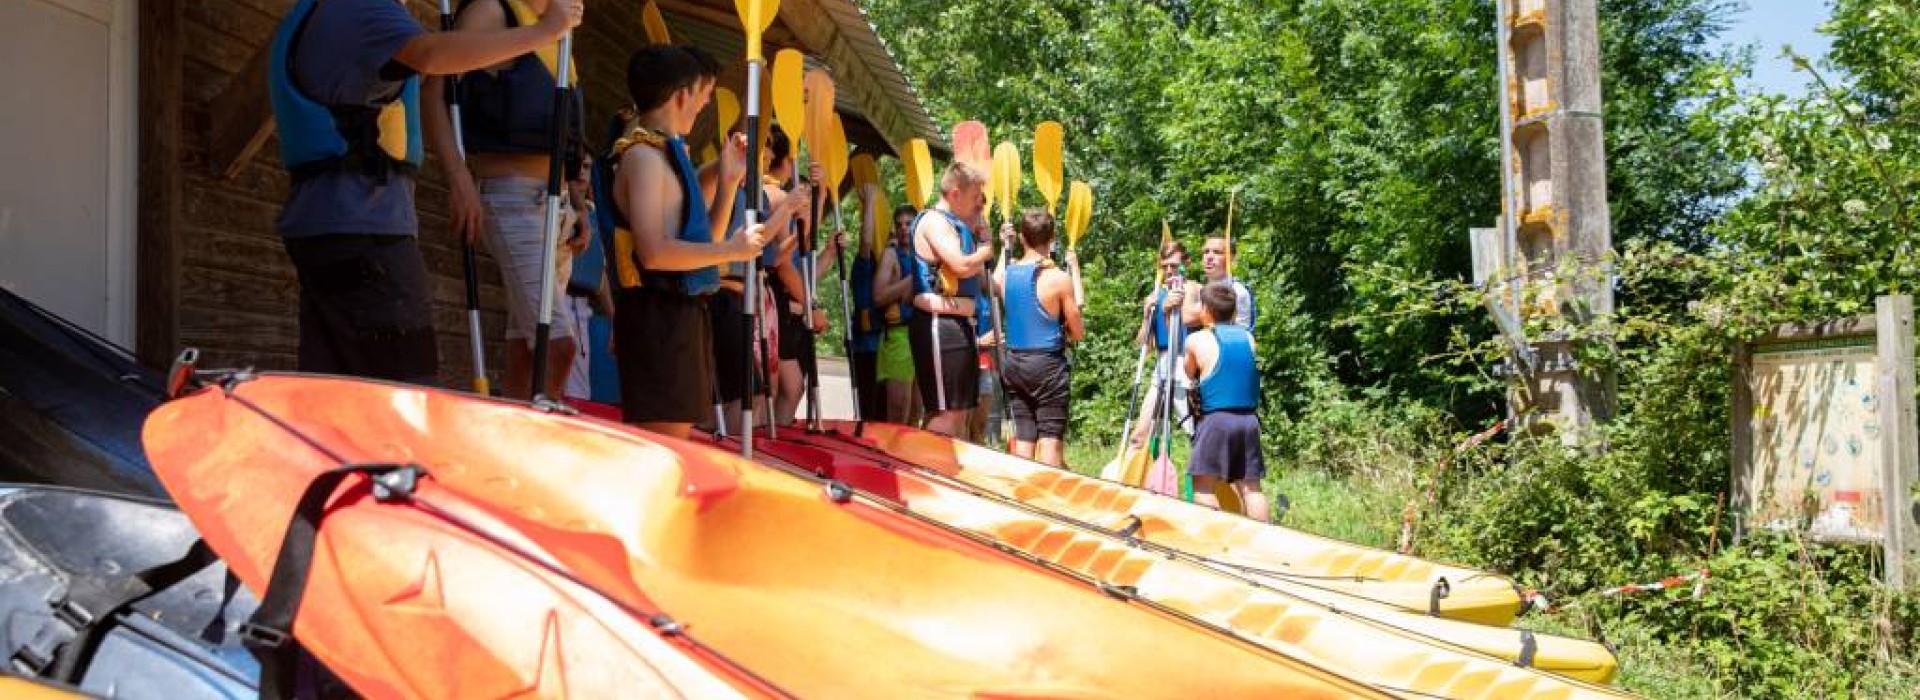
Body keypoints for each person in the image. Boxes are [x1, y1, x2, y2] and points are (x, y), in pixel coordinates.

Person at [268, 0, 583, 385]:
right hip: (363, 229)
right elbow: (431, 55)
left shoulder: (329, 9)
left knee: (337, 389)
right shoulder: (363, 8)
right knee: (407, 386)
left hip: (332, 223)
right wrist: (543, 33)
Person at [422, 0, 589, 400]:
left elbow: (562, 129)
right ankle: (539, 446)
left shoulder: (557, 24)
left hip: (557, 206)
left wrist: (579, 202)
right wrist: (458, 177)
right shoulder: (491, 11)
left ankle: (514, 438)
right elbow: (433, 92)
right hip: (513, 196)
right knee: (557, 345)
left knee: (526, 344)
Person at [604, 45, 771, 439]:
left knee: (676, 442)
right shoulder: (643, 158)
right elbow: (655, 253)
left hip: (681, 316)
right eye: (705, 94)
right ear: (682, 95)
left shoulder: (665, 155)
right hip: (656, 319)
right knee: (665, 446)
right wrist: (732, 249)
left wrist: (726, 181)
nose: (705, 104)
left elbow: (699, 249)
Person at [907, 163, 995, 438]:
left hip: (956, 324)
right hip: (938, 326)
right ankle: (929, 474)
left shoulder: (957, 225)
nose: (978, 204)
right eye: (974, 197)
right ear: (955, 194)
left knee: (959, 411)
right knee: (946, 412)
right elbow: (959, 265)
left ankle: (944, 472)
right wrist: (987, 249)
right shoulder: (935, 221)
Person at [992, 209, 1085, 467]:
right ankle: (1047, 503)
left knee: (1024, 438)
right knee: (1050, 442)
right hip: (1047, 367)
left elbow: (994, 283)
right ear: (1053, 236)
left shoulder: (1007, 274)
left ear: (1022, 238)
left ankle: (1021, 501)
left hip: (1013, 364)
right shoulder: (1059, 279)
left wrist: (1003, 246)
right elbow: (1078, 332)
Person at [1184, 281, 1270, 522]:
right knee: (1251, 487)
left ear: (1205, 310)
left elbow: (1189, 374)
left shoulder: (1196, 340)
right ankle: (1264, 540)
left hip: (1217, 420)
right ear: (1233, 312)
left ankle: (1212, 538)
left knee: (1203, 485)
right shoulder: (1249, 338)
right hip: (1249, 421)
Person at [1129, 239, 1203, 450]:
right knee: (1139, 436)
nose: (1169, 270)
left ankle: (1204, 479)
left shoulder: (1196, 290)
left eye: (1174, 265)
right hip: (1162, 367)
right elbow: (1145, 343)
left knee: (1195, 434)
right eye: (1165, 266)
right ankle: (1140, 479)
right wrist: (1146, 314)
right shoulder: (1156, 294)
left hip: (1187, 368)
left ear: (1186, 263)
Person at [871, 204, 919, 423]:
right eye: (899, 224)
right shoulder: (891, 254)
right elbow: (878, 296)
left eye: (909, 224)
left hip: (922, 334)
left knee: (916, 411)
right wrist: (913, 279)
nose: (903, 229)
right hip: (899, 336)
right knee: (899, 410)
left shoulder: (925, 254)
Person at [846, 185, 886, 421]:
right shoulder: (865, 266)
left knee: (884, 411)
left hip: (885, 349)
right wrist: (869, 203)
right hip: (865, 349)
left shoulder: (896, 265)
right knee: (867, 409)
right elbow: (866, 243)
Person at [1195, 235, 1256, 330]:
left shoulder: (1237, 291)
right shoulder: (1201, 289)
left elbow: (1241, 333)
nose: (1209, 257)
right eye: (1206, 252)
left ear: (1232, 259)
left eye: (1217, 252)